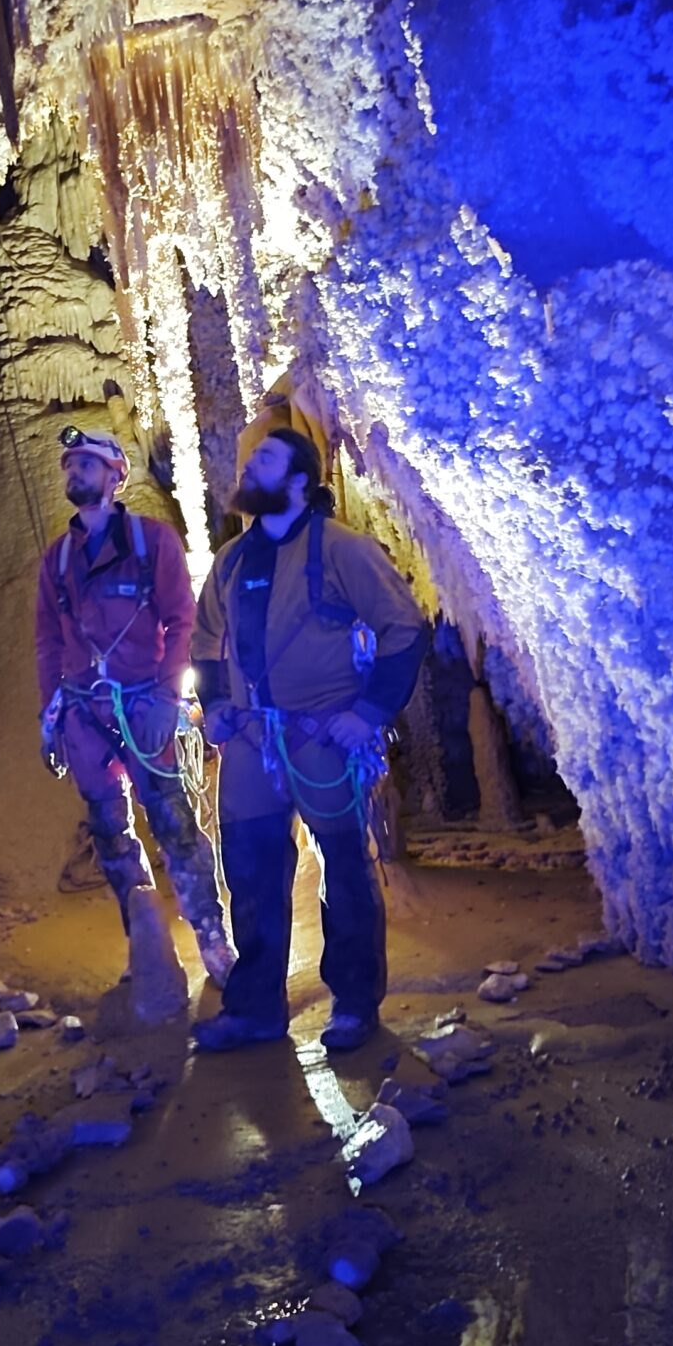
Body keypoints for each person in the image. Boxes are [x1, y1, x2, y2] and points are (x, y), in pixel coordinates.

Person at [190, 428, 427, 1052]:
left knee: (345, 869)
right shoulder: (232, 562)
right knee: (251, 871)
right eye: (250, 458)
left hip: (320, 734)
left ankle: (353, 1003)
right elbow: (204, 642)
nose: (249, 465)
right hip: (248, 740)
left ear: (300, 480)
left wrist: (370, 712)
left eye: (264, 458)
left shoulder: (341, 550)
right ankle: (257, 1007)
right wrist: (214, 703)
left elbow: (403, 627)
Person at [36, 426, 236, 998]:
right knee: (110, 833)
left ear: (115, 473)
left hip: (145, 707)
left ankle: (213, 939)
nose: (73, 472)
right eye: (69, 464)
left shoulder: (152, 542)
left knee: (174, 825)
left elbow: (180, 620)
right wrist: (49, 720)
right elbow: (48, 642)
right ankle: (146, 939)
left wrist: (168, 699)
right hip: (84, 716)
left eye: (86, 464)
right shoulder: (58, 560)